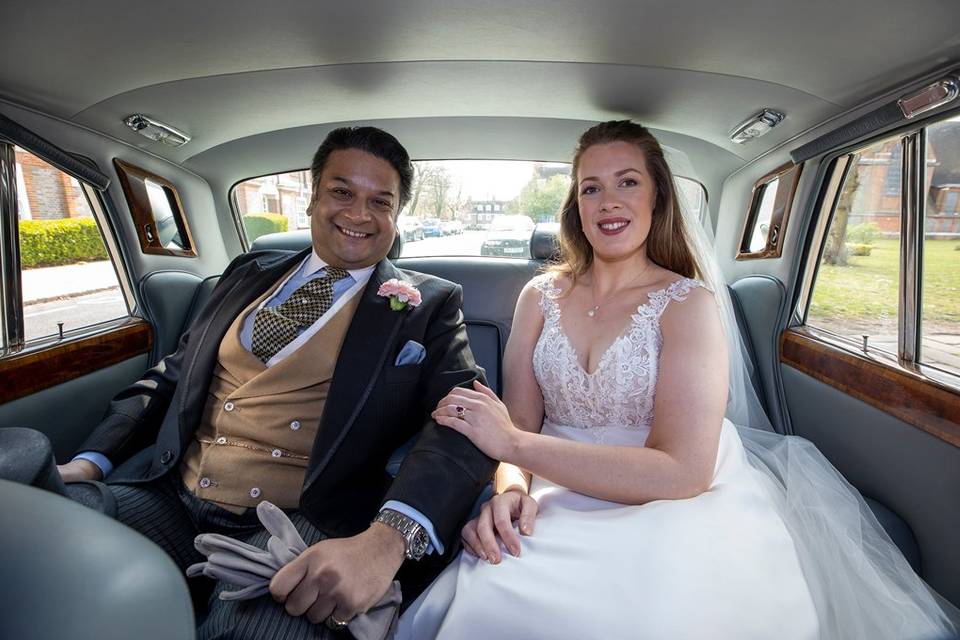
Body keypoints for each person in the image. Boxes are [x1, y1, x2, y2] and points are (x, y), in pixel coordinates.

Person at [397, 120, 959, 639]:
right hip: (553, 485)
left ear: (658, 196)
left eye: (627, 182)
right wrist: (510, 487)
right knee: (497, 601)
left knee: (648, 613)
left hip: (671, 499)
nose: (608, 201)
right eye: (590, 187)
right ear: (576, 205)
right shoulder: (540, 296)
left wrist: (516, 447)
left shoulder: (687, 304)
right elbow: (518, 423)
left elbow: (683, 470)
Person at [51, 126, 496, 639]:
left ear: (397, 217)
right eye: (341, 192)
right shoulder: (246, 274)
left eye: (380, 201)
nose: (357, 214)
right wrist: (91, 461)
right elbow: (172, 374)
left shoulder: (430, 304)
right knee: (45, 559)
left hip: (297, 521)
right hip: (170, 492)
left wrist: (388, 538)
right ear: (312, 198)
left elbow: (467, 419)